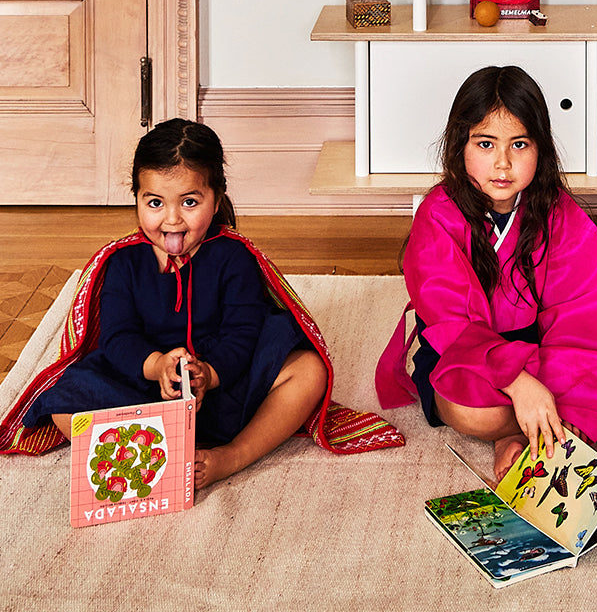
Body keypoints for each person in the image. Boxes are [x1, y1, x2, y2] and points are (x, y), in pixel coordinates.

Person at [0, 119, 402, 481]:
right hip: (145, 388)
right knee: (65, 403)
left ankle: (232, 455)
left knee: (309, 370)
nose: (172, 220)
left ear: (216, 196)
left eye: (189, 202)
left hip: (224, 386)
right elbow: (117, 337)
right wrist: (156, 366)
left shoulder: (234, 255)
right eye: (155, 202)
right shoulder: (123, 263)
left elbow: (244, 332)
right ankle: (159, 450)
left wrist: (209, 373)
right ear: (136, 197)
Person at [376, 65, 597, 480]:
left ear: (541, 148)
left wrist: (547, 379)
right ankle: (543, 431)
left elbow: (589, 309)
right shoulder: (438, 215)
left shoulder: (556, 211)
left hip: (546, 351)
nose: (502, 164)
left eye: (519, 144)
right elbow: (451, 325)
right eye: (485, 144)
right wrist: (520, 385)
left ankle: (528, 434)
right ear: (459, 145)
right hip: (468, 358)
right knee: (465, 411)